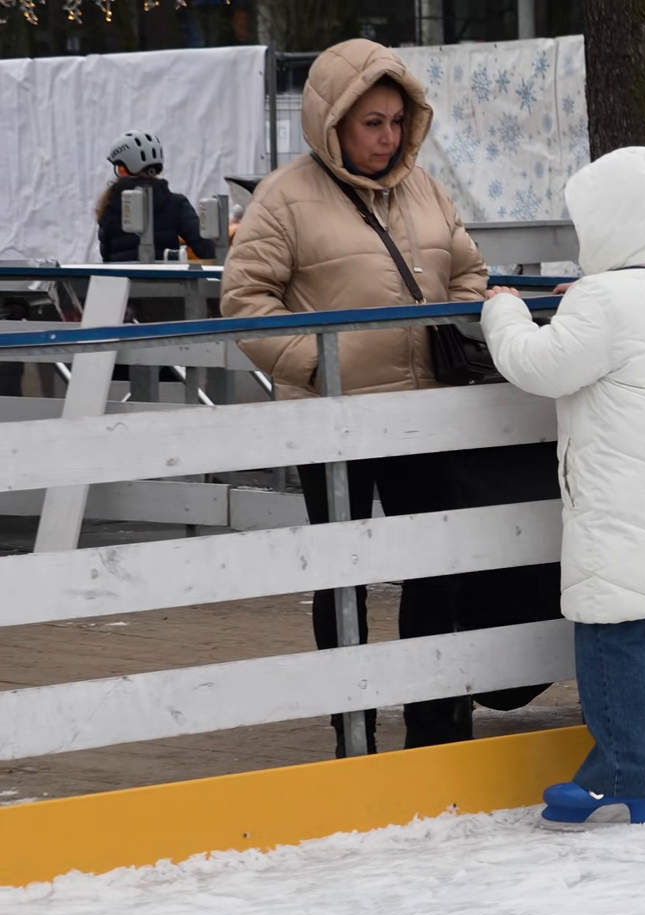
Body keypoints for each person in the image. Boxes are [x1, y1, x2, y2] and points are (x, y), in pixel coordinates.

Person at [222, 39, 560, 756]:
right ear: (333, 122)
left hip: (425, 415)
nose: (386, 136)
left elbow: (468, 272)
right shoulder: (284, 198)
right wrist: (322, 366)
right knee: (343, 578)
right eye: (371, 122)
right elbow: (246, 302)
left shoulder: (426, 190)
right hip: (333, 421)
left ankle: (435, 725)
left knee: (436, 569)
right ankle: (354, 731)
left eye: (396, 121)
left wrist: (457, 324)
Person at [481, 147, 645, 827]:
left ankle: (622, 776)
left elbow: (539, 364)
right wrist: (584, 303)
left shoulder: (601, 301)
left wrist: (504, 313)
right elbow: (623, 332)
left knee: (616, 628)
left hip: (623, 502)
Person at [95, 131, 216, 263]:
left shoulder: (109, 205)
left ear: (123, 169)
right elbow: (206, 248)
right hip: (165, 276)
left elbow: (106, 255)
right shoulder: (175, 203)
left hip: (121, 276)